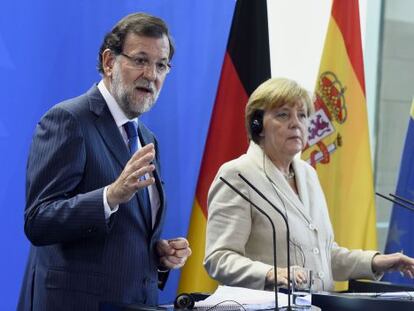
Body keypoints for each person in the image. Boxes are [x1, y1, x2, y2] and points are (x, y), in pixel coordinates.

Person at [18, 13, 191, 311]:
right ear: (109, 62)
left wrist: (158, 256)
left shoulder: (147, 138)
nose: (151, 74)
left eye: (161, 65)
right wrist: (109, 196)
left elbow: (125, 235)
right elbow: (39, 221)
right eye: (140, 60)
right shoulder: (68, 120)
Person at [204, 77, 414, 291]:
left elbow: (322, 255)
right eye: (283, 114)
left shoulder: (308, 174)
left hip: (318, 304)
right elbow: (219, 258)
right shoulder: (238, 175)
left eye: (302, 115)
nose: (296, 123)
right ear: (257, 125)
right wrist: (270, 274)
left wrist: (374, 262)